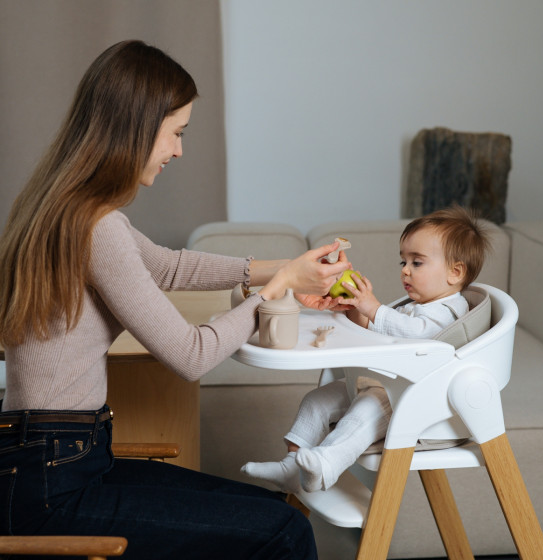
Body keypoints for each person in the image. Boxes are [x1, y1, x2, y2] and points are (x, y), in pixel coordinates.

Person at [0, 40, 351, 560]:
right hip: (57, 485)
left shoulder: (61, 206)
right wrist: (275, 294)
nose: (179, 151)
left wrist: (288, 267)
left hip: (47, 466)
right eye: (176, 133)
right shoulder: (97, 227)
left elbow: (167, 266)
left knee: (279, 515)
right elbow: (192, 355)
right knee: (282, 530)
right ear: (136, 128)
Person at [242, 205, 490, 493]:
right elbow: (377, 332)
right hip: (385, 381)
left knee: (364, 413)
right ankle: (291, 464)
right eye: (403, 262)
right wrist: (354, 311)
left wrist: (373, 307)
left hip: (411, 397)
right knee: (317, 401)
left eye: (417, 263)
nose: (405, 271)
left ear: (455, 272)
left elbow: (420, 335)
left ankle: (326, 465)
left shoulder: (449, 310)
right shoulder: (415, 306)